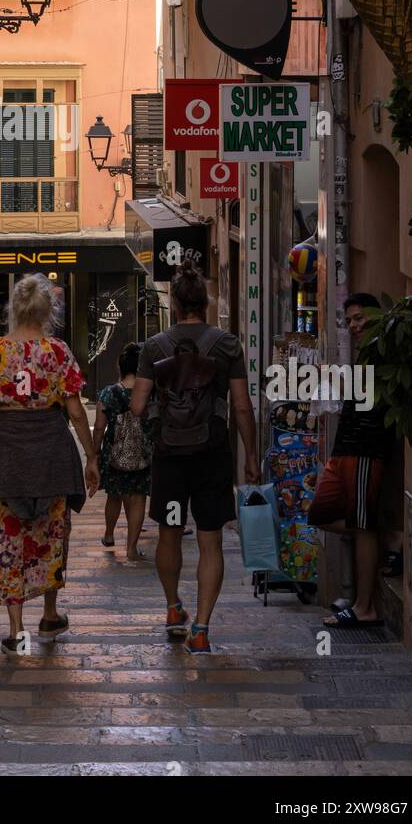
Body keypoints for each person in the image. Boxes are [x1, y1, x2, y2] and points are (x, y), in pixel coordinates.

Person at [0, 274, 100, 656]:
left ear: (14, 309)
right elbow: (76, 412)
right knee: (50, 534)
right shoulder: (57, 352)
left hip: (6, 452)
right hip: (50, 453)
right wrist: (91, 456)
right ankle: (50, 613)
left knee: (6, 538)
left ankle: (15, 630)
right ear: (48, 314)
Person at [131, 262, 259, 654]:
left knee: (169, 533)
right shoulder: (227, 345)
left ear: (173, 302)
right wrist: (251, 455)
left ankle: (173, 608)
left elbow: (136, 405)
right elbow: (241, 406)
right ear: (205, 302)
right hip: (212, 457)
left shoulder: (154, 347)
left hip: (170, 459)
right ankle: (201, 628)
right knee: (210, 541)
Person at [309, 292, 392, 628]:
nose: (356, 325)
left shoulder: (384, 350)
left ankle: (364, 606)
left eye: (361, 317)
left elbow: (371, 395)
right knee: (321, 512)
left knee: (361, 524)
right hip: (346, 448)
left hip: (365, 448)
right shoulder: (365, 353)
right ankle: (387, 537)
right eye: (351, 321)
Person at [93, 342, 152, 562]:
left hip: (114, 453)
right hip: (143, 453)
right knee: (137, 499)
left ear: (121, 366)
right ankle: (131, 549)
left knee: (114, 495)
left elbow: (99, 427)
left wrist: (95, 453)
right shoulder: (148, 393)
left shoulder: (109, 393)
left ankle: (109, 535)